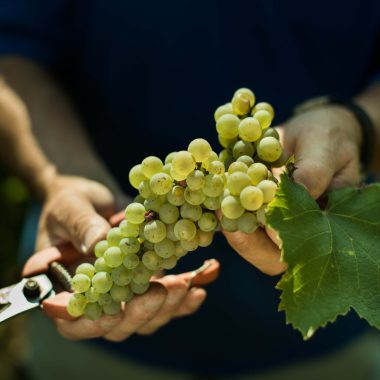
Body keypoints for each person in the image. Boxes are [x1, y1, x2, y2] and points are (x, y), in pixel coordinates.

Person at [0, 1, 379, 379]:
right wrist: (60, 175)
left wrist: (361, 123)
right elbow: (11, 53)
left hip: (329, 340)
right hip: (82, 295)